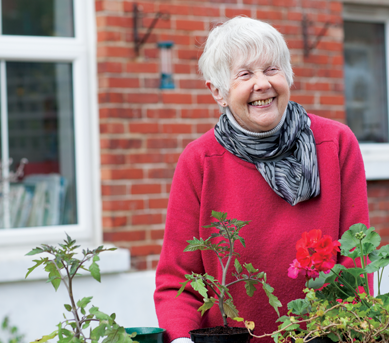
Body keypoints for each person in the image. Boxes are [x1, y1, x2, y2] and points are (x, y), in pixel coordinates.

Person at [154, 17, 370, 343]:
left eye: (272, 69)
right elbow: (177, 280)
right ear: (218, 92)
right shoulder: (200, 161)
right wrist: (183, 339)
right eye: (244, 74)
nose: (262, 84)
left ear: (288, 76)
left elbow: (356, 260)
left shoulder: (336, 144)